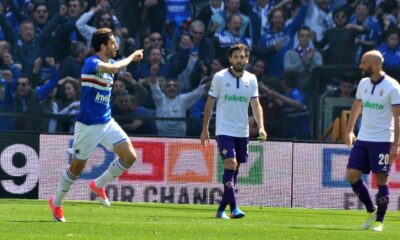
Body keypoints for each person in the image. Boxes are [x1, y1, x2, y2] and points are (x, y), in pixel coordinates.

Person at [48, 28, 144, 223]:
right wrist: (132, 56)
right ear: (103, 46)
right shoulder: (91, 63)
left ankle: (98, 184)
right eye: (112, 43)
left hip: (107, 121)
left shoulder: (108, 64)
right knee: (77, 167)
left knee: (130, 156)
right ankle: (56, 202)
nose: (116, 46)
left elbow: (114, 69)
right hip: (88, 125)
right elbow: (115, 69)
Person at [200, 44, 267, 219]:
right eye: (235, 57)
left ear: (247, 59)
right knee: (231, 164)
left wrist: (261, 126)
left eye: (242, 57)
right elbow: (210, 103)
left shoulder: (251, 79)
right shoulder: (220, 77)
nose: (239, 59)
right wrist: (205, 129)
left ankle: (221, 210)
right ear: (230, 59)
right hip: (224, 130)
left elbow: (256, 105)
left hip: (242, 131)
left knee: (234, 172)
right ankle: (235, 208)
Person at [344, 50, 400, 232]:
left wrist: (395, 145)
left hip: (383, 140)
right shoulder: (363, 83)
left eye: (363, 62)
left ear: (375, 65)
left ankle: (379, 221)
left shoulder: (393, 87)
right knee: (352, 175)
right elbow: (356, 106)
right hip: (363, 138)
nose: (360, 66)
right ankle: (371, 210)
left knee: (381, 180)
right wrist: (349, 130)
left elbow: (398, 119)